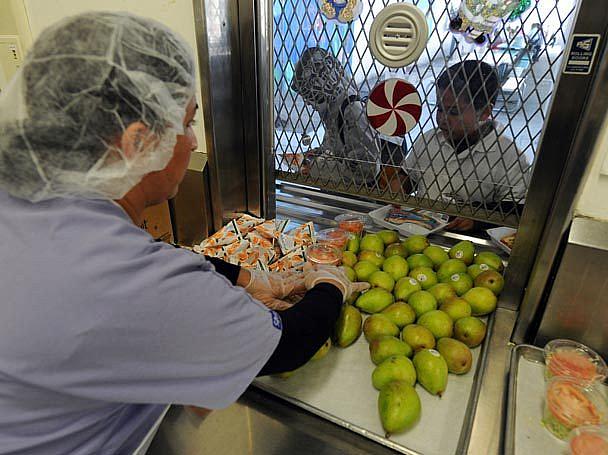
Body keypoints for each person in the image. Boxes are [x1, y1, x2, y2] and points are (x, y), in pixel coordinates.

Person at [0, 12, 368, 454]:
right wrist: (329, 284)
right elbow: (288, 343)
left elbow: (144, 254)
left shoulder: (29, 200)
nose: (194, 142)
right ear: (136, 142)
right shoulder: (126, 284)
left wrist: (244, 278)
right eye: (189, 122)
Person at [401, 60, 531, 231]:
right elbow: (407, 181)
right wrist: (395, 185)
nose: (442, 119)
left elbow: (514, 210)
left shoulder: (509, 156)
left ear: (484, 112)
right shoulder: (428, 141)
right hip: (419, 230)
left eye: (454, 112)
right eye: (440, 109)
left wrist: (477, 220)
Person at [290, 46, 405, 191]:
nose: (308, 102)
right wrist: (315, 155)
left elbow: (365, 170)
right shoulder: (336, 110)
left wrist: (315, 168)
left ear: (322, 84)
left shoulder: (352, 111)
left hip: (359, 197)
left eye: (309, 94)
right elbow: (337, 148)